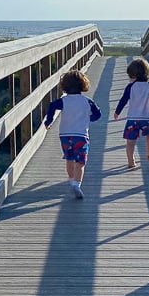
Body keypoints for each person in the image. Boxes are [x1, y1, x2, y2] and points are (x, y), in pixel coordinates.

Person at [44, 69, 101, 199]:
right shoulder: (87, 101)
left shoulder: (63, 101)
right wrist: (89, 119)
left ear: (64, 86)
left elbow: (52, 105)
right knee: (80, 162)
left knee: (69, 159)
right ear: (83, 85)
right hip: (81, 136)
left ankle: (71, 180)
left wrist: (49, 120)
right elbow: (98, 114)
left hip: (65, 135)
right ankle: (77, 184)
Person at [114, 57, 149, 169]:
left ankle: (131, 161)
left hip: (133, 119)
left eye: (130, 76)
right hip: (147, 118)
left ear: (134, 76)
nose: (129, 79)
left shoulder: (130, 87)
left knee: (130, 142)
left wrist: (117, 112)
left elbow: (123, 100)